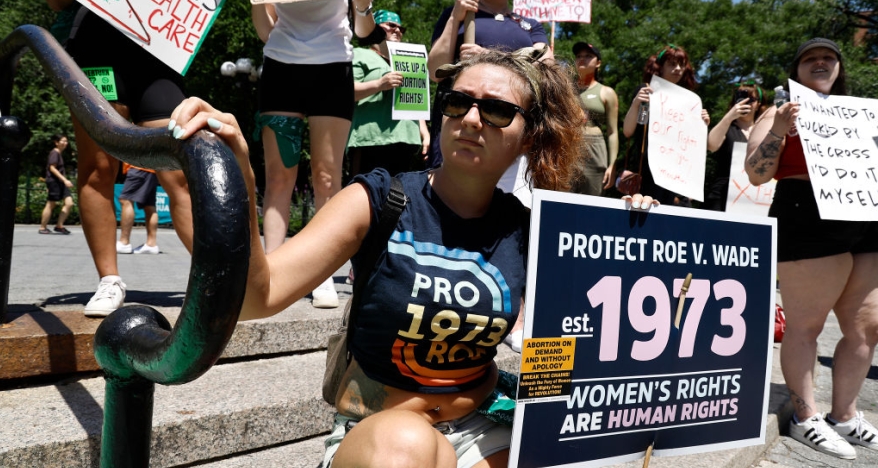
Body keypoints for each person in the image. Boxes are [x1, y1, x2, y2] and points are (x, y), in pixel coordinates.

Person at [169, 48, 630, 468]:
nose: (470, 119)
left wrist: (645, 233)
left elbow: (572, 350)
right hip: (379, 434)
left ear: (529, 136)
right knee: (408, 445)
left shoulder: (532, 230)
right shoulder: (376, 198)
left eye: (495, 111)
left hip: (482, 428)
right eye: (457, 102)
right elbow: (256, 298)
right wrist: (241, 180)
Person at [36, 0, 231, 317]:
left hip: (156, 54)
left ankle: (215, 280)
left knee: (180, 171)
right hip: (96, 48)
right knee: (98, 168)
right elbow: (57, 1)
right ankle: (109, 280)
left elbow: (188, 9)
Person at [745, 38, 878, 460]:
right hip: (806, 215)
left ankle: (845, 414)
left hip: (864, 216)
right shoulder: (779, 113)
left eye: (828, 57)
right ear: (796, 70)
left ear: (839, 67)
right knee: (807, 324)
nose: (820, 62)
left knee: (867, 327)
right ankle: (806, 416)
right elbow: (756, 173)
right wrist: (781, 130)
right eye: (809, 58)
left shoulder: (861, 112)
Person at [241, 0, 379, 309]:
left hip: (334, 68)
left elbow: (364, 32)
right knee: (279, 177)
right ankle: (270, 270)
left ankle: (322, 274)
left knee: (327, 178)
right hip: (281, 68)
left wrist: (363, 5)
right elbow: (264, 30)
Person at [427, 0, 550, 174]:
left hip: (510, 128)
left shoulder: (530, 26)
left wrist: (488, 58)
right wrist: (455, 16)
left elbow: (548, 70)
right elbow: (435, 70)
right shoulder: (459, 15)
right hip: (462, 121)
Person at [622, 44, 710, 206]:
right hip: (646, 170)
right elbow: (628, 131)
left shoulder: (690, 103)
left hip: (675, 174)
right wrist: (636, 104)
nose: (677, 69)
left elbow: (694, 147)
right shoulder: (646, 91)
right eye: (672, 64)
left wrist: (702, 124)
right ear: (659, 67)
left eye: (681, 65)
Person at [347, 9, 430, 179]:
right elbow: (345, 93)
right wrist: (379, 84)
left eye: (401, 28)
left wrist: (424, 132)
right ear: (375, 28)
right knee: (365, 198)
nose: (398, 30)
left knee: (398, 199)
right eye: (391, 25)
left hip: (406, 140)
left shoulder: (410, 60)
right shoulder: (359, 54)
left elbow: (415, 98)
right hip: (371, 140)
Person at [703, 82, 766, 211]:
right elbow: (711, 145)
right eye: (742, 98)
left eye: (751, 100)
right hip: (721, 197)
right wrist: (730, 116)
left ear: (758, 104)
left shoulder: (764, 130)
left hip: (756, 199)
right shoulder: (727, 126)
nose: (746, 103)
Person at [570, 42, 619, 196]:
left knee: (591, 202)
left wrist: (612, 164)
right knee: (562, 199)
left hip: (594, 148)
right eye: (579, 56)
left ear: (598, 63)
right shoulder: (564, 89)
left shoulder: (606, 92)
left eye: (588, 56)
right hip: (568, 146)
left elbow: (612, 132)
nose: (582, 59)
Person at [116, 164, 160, 255]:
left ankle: (124, 242)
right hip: (152, 169)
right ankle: (151, 244)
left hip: (138, 166)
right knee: (149, 206)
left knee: (126, 200)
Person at [39, 134, 74, 235]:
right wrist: (65, 180)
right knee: (51, 204)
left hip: (60, 182)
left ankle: (59, 225)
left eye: (66, 141)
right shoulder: (54, 153)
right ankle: (42, 227)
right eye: (62, 141)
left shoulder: (59, 153)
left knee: (69, 203)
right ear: (56, 142)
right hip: (55, 181)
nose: (65, 143)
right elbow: (52, 168)